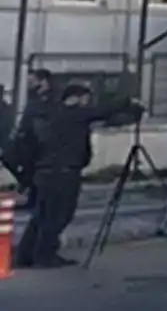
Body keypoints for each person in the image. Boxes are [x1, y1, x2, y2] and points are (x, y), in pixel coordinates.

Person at [14, 83, 141, 269]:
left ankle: (24, 255)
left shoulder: (53, 113)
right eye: (86, 99)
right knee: (58, 216)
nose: (87, 104)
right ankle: (44, 256)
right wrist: (128, 101)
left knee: (41, 216)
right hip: (64, 173)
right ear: (77, 97)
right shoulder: (72, 114)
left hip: (44, 172)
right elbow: (102, 111)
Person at [3, 69, 54, 211]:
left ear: (43, 81)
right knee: (10, 159)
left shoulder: (50, 99)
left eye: (33, 81)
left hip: (39, 141)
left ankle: (34, 198)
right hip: (27, 140)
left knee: (35, 170)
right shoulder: (35, 98)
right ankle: (27, 188)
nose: (30, 85)